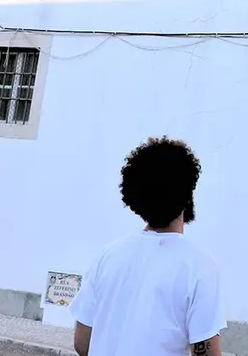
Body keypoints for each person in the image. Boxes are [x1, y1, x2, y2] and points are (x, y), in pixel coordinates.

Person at [69, 137, 226, 356]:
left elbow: (82, 342)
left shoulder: (109, 255)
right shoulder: (200, 265)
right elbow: (205, 351)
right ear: (187, 195)